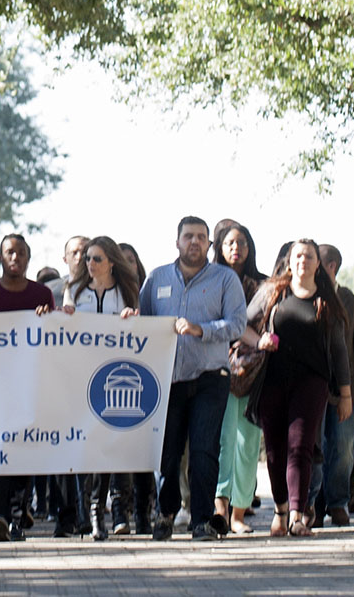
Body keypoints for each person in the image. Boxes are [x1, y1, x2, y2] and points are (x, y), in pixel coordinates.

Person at [139, 216, 247, 541]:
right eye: (189, 236)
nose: (195, 242)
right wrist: (130, 320)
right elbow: (143, 325)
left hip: (210, 378)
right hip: (167, 379)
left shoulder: (225, 280)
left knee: (203, 450)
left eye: (201, 237)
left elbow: (238, 324)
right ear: (177, 242)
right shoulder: (156, 279)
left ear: (209, 244)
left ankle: (201, 519)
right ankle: (166, 513)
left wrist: (203, 330)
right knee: (167, 452)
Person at [246, 239, 351, 537]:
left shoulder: (326, 301)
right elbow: (243, 325)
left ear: (318, 264)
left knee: (300, 446)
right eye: (298, 256)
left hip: (312, 382)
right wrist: (259, 341)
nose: (303, 260)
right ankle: (280, 510)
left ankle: (297, 515)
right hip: (272, 380)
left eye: (309, 256)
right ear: (289, 262)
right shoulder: (273, 292)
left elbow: (340, 350)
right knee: (276, 450)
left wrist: (345, 395)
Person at [0, 234, 54, 542]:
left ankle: (19, 517)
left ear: (28, 258)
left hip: (30, 384)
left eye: (20, 252)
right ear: (0, 258)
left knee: (24, 451)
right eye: (9, 252)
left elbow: (54, 337)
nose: (15, 257)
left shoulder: (42, 293)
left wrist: (49, 319)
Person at [61, 236, 142, 540]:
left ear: (111, 261)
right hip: (81, 375)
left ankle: (115, 507)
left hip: (115, 374)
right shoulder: (75, 290)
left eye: (96, 259)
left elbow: (139, 327)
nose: (90, 264)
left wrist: (132, 319)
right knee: (88, 443)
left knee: (113, 441)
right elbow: (65, 327)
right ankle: (92, 512)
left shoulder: (125, 291)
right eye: (87, 259)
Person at [212, 223, 267, 535]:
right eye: (231, 242)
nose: (237, 248)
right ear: (220, 246)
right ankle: (219, 506)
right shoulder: (209, 280)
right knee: (222, 441)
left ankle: (239, 513)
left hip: (253, 371)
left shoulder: (262, 285)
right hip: (217, 369)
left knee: (248, 443)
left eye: (243, 242)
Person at [312, 244, 354, 527]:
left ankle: (337, 502)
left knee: (344, 448)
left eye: (316, 260)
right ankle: (314, 504)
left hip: (347, 389)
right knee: (315, 446)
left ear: (331, 265)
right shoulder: (305, 296)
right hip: (313, 386)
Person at [46, 235, 89, 305]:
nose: (80, 257)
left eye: (85, 253)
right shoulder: (51, 291)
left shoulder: (105, 288)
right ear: (65, 259)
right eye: (74, 253)